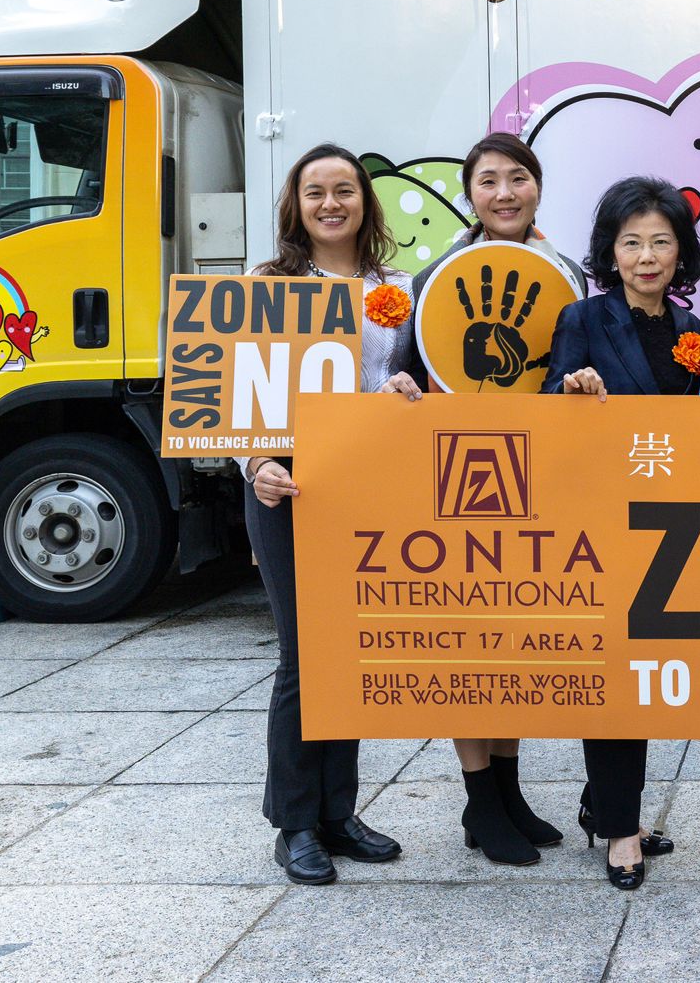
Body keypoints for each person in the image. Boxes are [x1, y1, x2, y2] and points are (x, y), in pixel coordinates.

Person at [240, 143, 423, 886]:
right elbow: (235, 389)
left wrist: (406, 393)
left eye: (344, 189)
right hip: (286, 484)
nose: (330, 204)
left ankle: (337, 813)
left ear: (365, 203)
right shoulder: (267, 285)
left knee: (347, 653)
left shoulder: (399, 288)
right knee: (303, 656)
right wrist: (255, 464)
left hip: (365, 486)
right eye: (315, 191)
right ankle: (294, 824)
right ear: (297, 204)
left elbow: (414, 379)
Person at [407, 131, 585, 866]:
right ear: (470, 194)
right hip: (458, 473)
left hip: (539, 473)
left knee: (516, 638)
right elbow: (410, 373)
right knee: (467, 640)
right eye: (488, 181)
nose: (505, 193)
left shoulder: (568, 270)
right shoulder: (433, 278)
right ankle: (479, 798)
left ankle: (507, 792)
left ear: (537, 185)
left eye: (518, 177)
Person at [543, 176, 700, 890]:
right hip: (602, 520)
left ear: (680, 252)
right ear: (611, 251)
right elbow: (547, 401)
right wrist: (571, 390)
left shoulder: (691, 329)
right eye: (632, 242)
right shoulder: (584, 317)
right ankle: (620, 833)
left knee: (643, 678)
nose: (647, 256)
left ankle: (605, 806)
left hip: (668, 526)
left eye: (661, 242)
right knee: (613, 679)